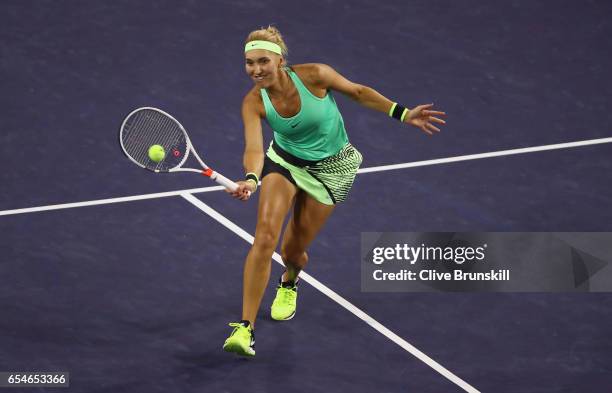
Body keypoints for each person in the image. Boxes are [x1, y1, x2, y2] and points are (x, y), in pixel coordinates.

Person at [222, 26, 446, 357]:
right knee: (264, 237)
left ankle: (289, 281)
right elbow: (254, 147)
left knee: (292, 251)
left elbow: (358, 92)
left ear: (280, 60)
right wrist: (253, 178)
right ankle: (246, 329)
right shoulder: (253, 102)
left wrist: (402, 113)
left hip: (333, 168)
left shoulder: (315, 76)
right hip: (284, 163)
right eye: (249, 63)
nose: (255, 70)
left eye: (263, 61)